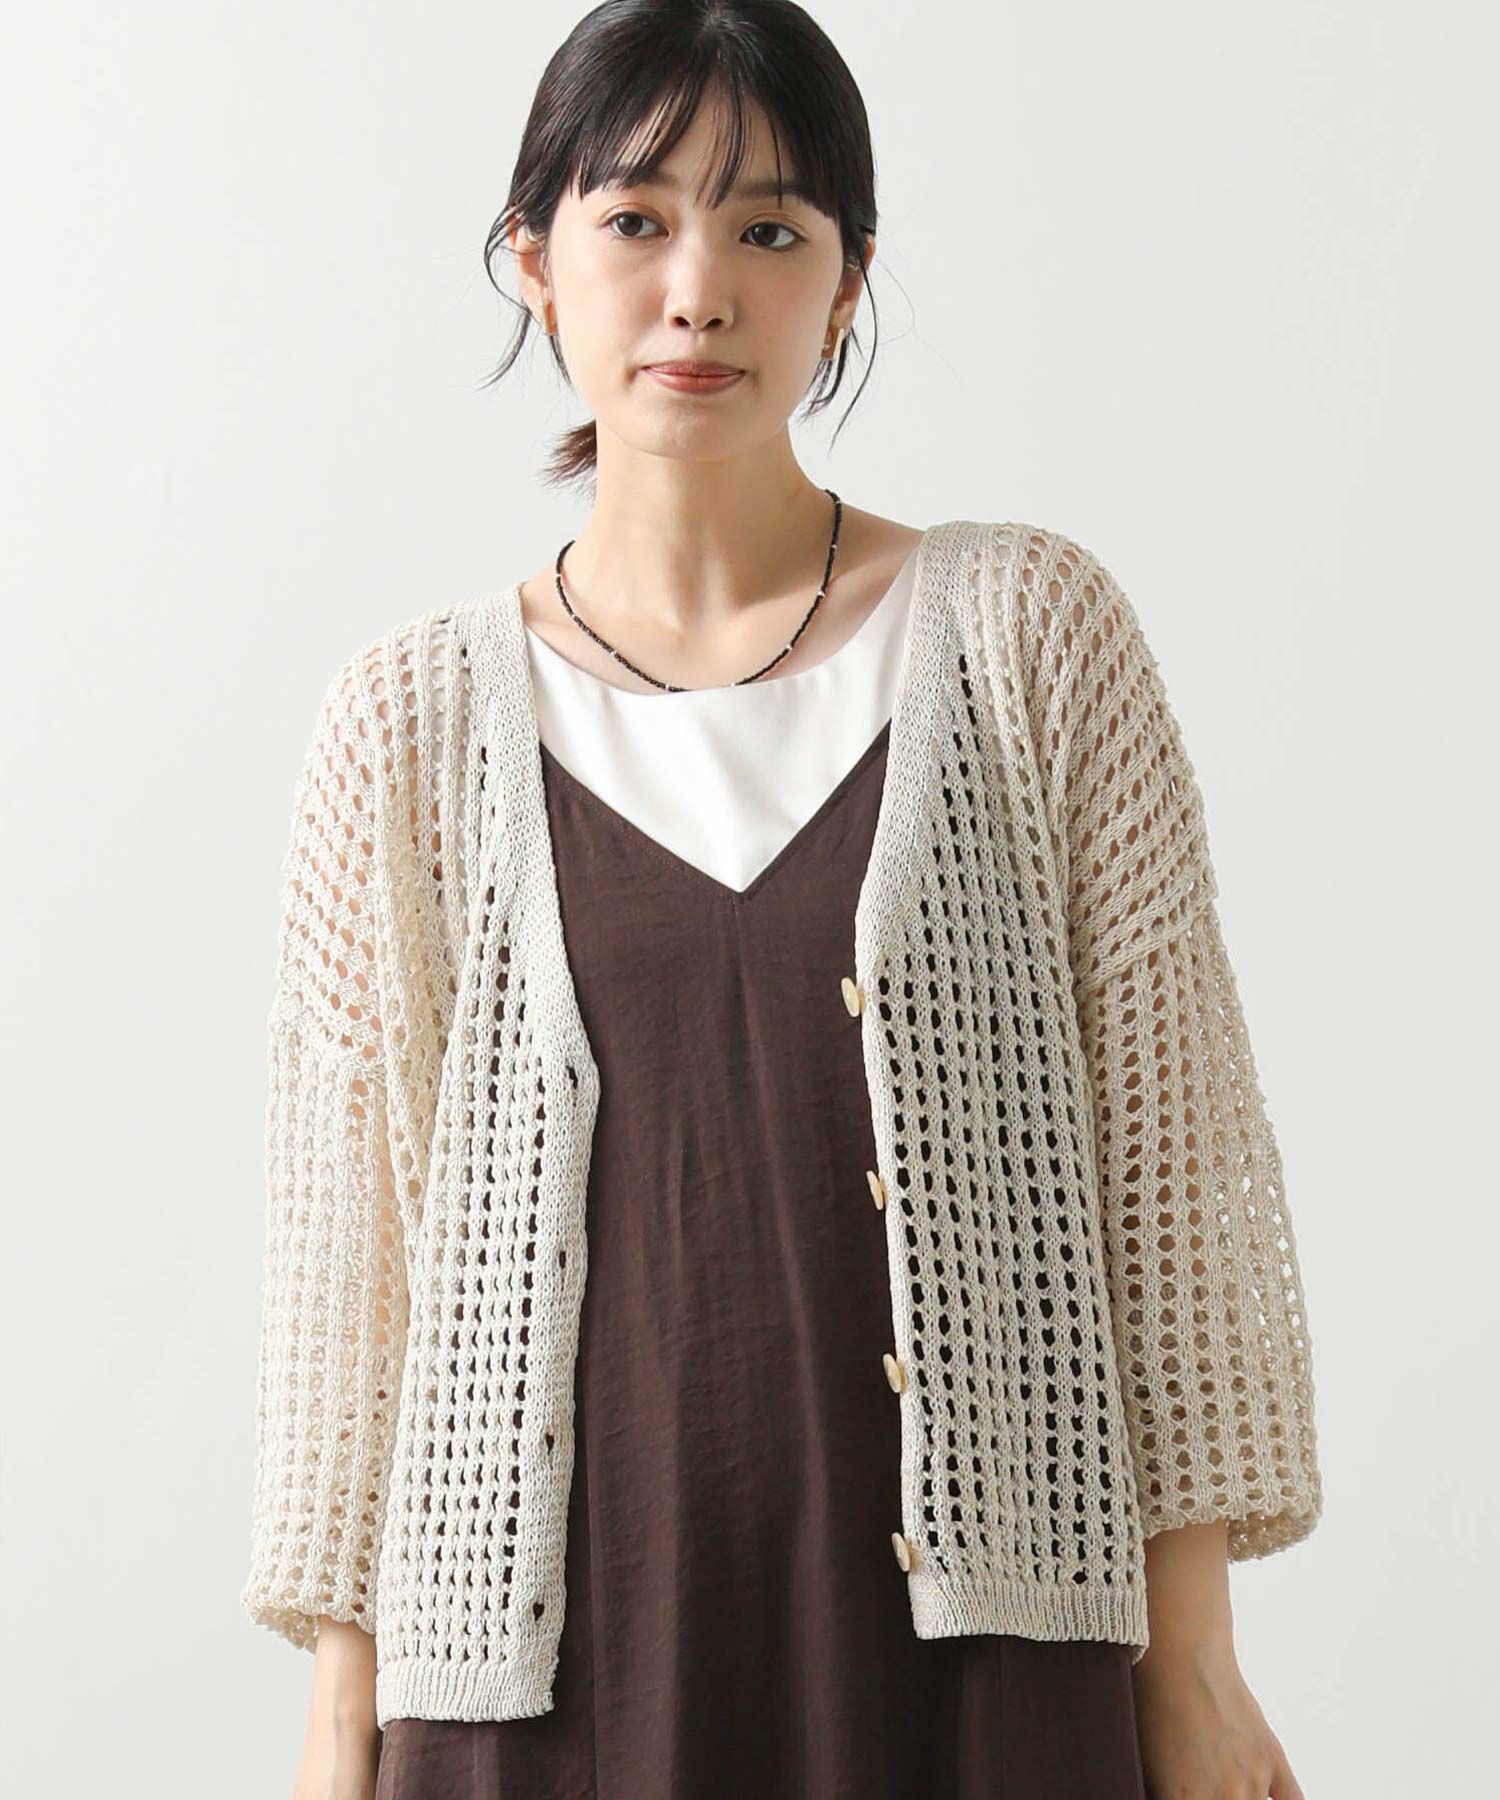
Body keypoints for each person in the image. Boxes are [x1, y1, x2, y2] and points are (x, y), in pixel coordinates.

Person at [241, 5, 1324, 1797]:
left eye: (768, 228)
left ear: (848, 278)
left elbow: (1173, 1170)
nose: (699, 292)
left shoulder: (1030, 638)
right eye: (635, 219)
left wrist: (1198, 1669)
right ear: (534, 262)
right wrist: (334, 1736)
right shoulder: (409, 727)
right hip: (540, 1682)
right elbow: (353, 1286)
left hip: (984, 1665)